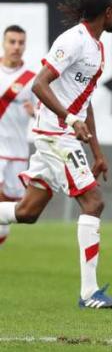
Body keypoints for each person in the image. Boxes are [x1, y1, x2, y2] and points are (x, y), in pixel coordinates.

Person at [0, 0, 112, 308]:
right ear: (108, 13)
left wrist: (97, 152)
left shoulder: (97, 48)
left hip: (64, 133)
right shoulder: (73, 40)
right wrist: (70, 120)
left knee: (26, 212)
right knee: (94, 202)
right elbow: (38, 84)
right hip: (56, 134)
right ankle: (89, 294)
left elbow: (85, 104)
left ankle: (90, 293)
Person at [0, 25, 36, 248]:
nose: (16, 47)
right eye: (12, 42)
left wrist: (37, 113)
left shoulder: (32, 79)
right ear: (3, 43)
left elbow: (46, 111)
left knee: (6, 219)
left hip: (18, 153)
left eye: (20, 43)